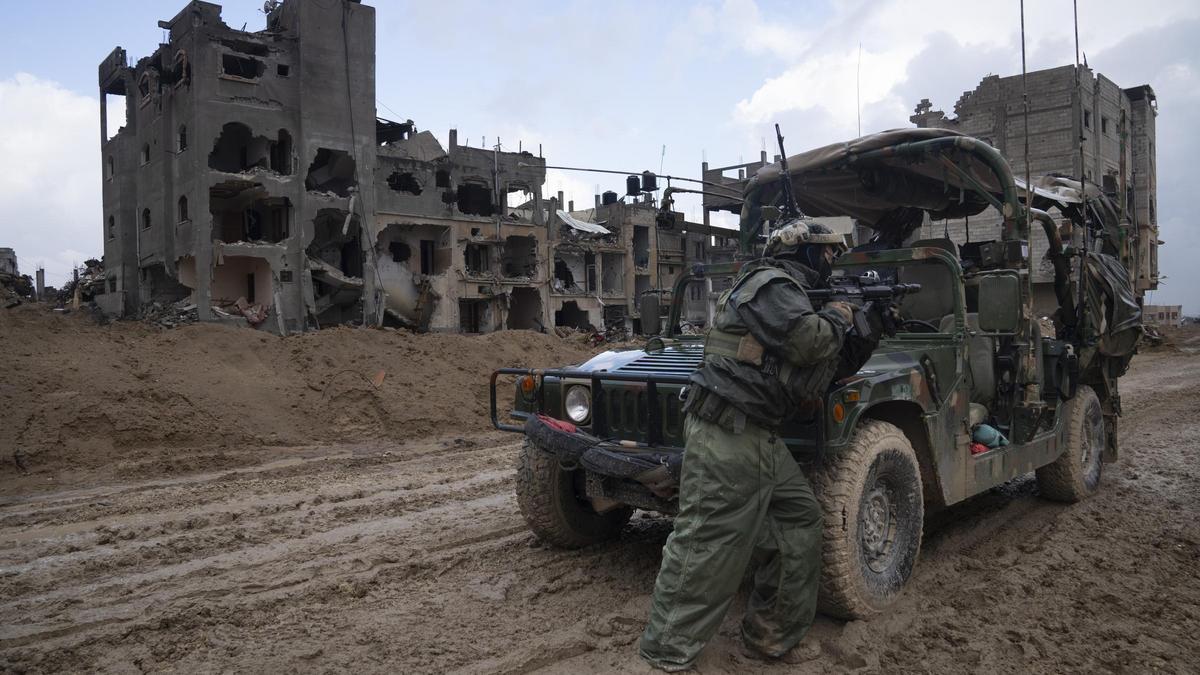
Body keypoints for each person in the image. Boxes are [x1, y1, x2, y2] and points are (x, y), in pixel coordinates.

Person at [639, 219, 879, 671]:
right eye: (826, 252)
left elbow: (814, 366)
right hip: (728, 431)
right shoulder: (769, 283)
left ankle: (769, 635)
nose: (831, 261)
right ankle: (664, 654)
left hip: (756, 433)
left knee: (798, 520)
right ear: (803, 251)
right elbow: (809, 342)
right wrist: (841, 316)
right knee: (707, 540)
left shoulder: (789, 292)